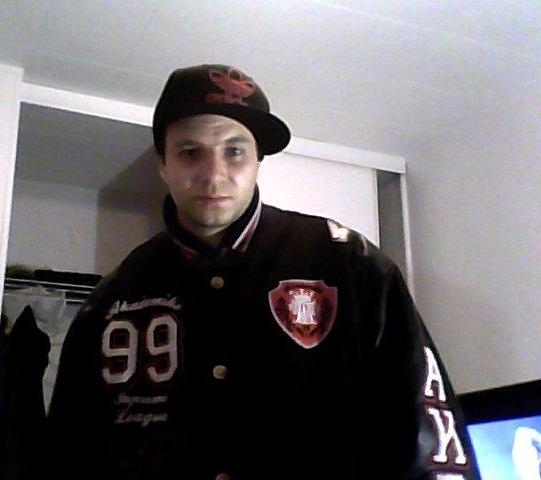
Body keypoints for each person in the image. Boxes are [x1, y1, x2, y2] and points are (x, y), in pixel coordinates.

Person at [45, 64, 481, 479]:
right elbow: (68, 454)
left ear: (258, 161)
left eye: (234, 152)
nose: (214, 175)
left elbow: (428, 433)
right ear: (164, 164)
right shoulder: (113, 298)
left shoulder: (349, 264)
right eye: (190, 152)